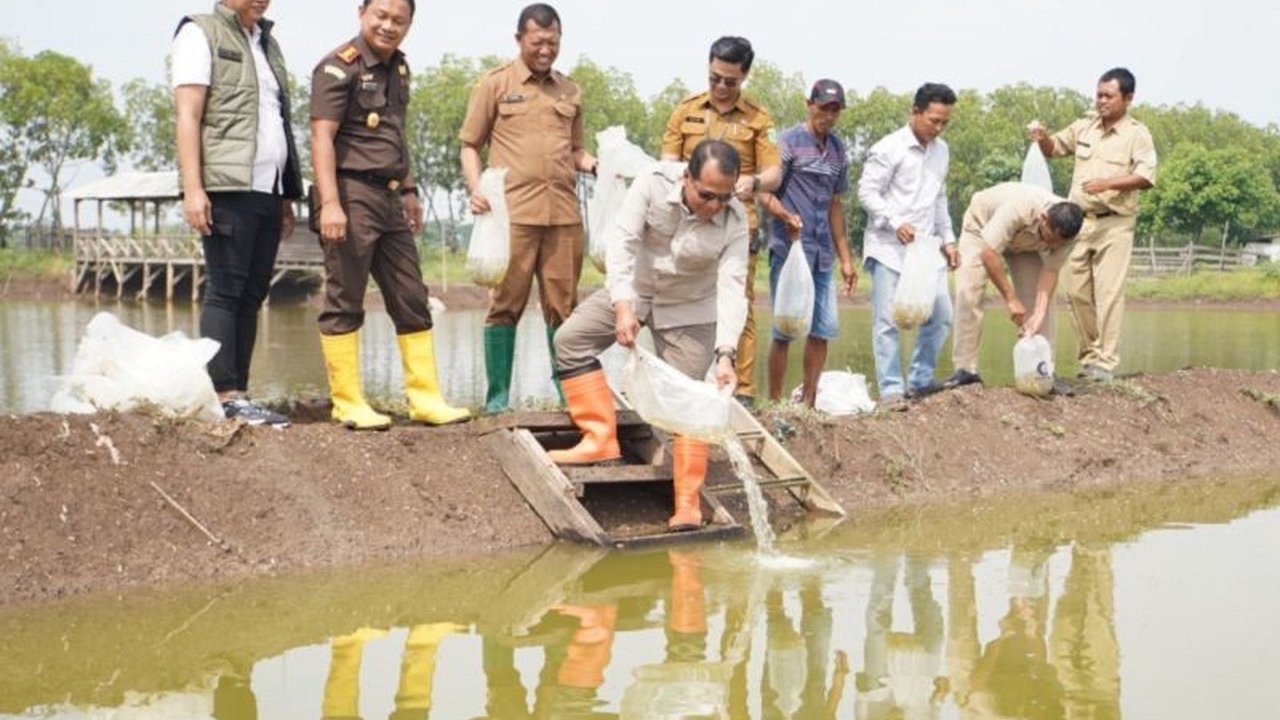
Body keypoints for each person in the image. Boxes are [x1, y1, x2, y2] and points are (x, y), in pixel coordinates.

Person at [548, 140, 748, 532]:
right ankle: (599, 437)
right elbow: (621, 245)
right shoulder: (652, 183)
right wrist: (622, 305)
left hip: (690, 307)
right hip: (635, 290)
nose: (713, 206)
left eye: (723, 198)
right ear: (686, 177)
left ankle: (688, 503)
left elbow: (733, 287)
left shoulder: (736, 220)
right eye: (706, 195)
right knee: (570, 340)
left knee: (689, 397)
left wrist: (726, 354)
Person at [310, 0, 470, 429]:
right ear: (361, 12)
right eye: (380, 15)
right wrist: (330, 203)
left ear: (409, 24)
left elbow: (397, 132)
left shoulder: (400, 68)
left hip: (391, 195)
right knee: (346, 297)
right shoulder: (336, 67)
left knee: (411, 295)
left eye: (399, 19)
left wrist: (412, 189)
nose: (388, 25)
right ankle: (347, 402)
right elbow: (321, 138)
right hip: (350, 192)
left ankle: (426, 399)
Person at [460, 3, 597, 414]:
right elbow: (470, 144)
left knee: (564, 307)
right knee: (505, 304)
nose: (545, 49)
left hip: (563, 217)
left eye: (552, 42)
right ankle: (498, 398)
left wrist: (597, 165)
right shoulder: (496, 84)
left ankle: (566, 395)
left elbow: (575, 150)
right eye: (537, 41)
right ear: (519, 39)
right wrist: (474, 188)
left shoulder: (570, 90)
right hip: (512, 216)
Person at [172, 0, 302, 427]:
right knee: (225, 289)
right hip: (227, 185)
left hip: (269, 186)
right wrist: (193, 188)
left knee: (252, 293)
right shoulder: (200, 32)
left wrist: (287, 195)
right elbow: (189, 114)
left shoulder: (269, 42)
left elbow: (278, 120)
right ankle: (223, 393)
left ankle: (239, 394)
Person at [661, 36, 782, 407]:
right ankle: (683, 384)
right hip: (686, 225)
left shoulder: (758, 118)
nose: (721, 87)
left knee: (738, 306)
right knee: (675, 303)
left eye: (731, 81)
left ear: (744, 76)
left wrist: (755, 182)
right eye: (715, 78)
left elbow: (774, 172)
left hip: (736, 224)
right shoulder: (686, 110)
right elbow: (665, 164)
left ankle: (741, 391)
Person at [1030, 67, 1157, 383]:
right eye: (1099, 94)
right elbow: (1054, 148)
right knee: (1076, 293)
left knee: (1109, 293)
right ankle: (1089, 356)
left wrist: (1108, 183)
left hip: (1115, 223)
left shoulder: (1137, 134)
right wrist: (1042, 137)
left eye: (1108, 96)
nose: (1101, 101)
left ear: (1127, 98)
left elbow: (1146, 176)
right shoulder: (1084, 127)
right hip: (1079, 224)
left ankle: (1106, 361)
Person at [856, 83, 960, 412]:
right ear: (915, 112)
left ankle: (919, 380)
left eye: (944, 122)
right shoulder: (889, 148)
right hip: (889, 246)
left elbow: (939, 197)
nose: (938, 127)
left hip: (925, 248)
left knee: (941, 315)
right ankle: (890, 390)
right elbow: (867, 192)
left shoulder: (941, 150)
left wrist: (949, 238)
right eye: (933, 120)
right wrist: (893, 220)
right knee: (887, 321)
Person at [758, 79, 858, 407]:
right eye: (823, 107)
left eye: (835, 110)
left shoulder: (839, 150)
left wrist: (845, 258)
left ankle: (809, 402)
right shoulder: (787, 143)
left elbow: (834, 205)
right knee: (785, 327)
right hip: (789, 252)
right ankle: (774, 403)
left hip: (822, 254)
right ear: (809, 104)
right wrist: (786, 217)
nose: (828, 116)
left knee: (822, 328)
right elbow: (764, 193)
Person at [944, 183, 1084, 390]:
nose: (1054, 247)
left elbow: (1051, 271)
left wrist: (1037, 314)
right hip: (981, 229)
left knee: (1042, 308)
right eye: (1052, 240)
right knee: (969, 291)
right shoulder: (1019, 208)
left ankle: (1044, 370)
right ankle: (965, 370)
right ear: (1044, 219)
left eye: (1059, 244)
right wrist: (1010, 299)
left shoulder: (1071, 233)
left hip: (1027, 243)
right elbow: (989, 254)